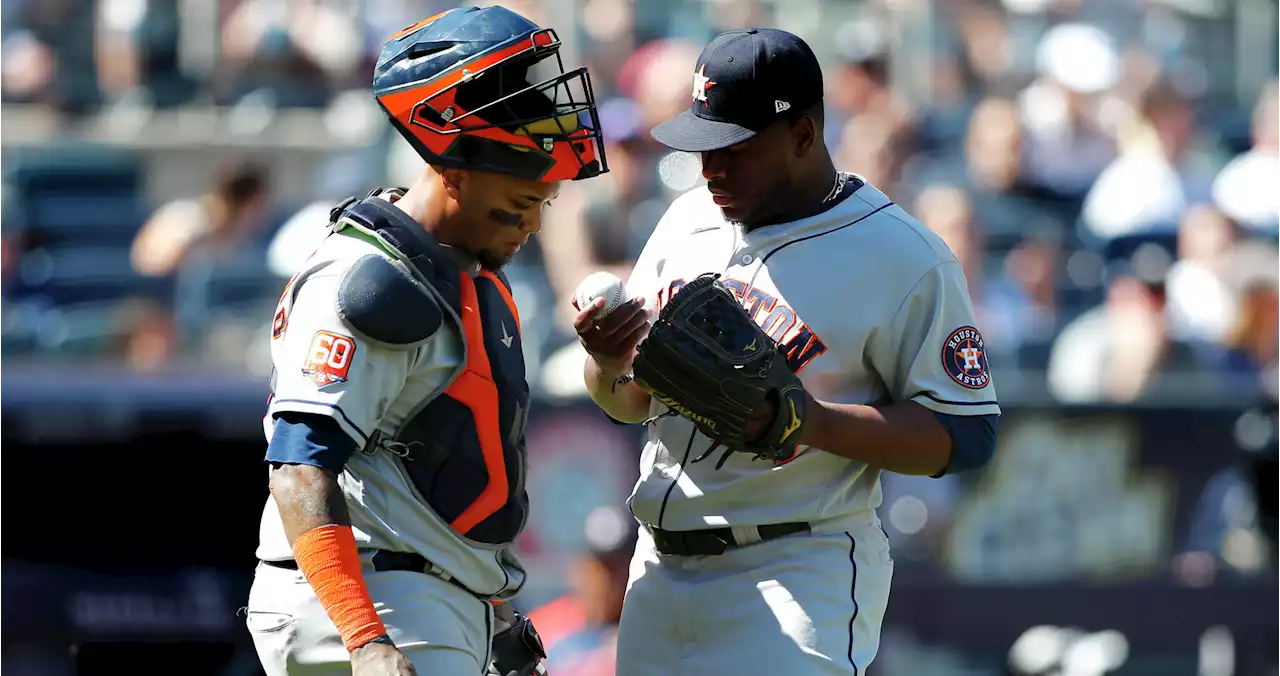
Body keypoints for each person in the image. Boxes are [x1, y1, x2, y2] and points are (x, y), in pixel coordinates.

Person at [573, 28, 1000, 675]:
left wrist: (813, 421)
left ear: (802, 134)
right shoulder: (685, 219)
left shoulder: (902, 256)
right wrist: (607, 364)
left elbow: (965, 433)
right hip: (657, 572)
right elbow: (629, 406)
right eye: (703, 147)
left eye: (734, 150)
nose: (710, 168)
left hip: (794, 565)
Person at [243, 6, 607, 675]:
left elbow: (438, 486)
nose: (528, 226)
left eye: (541, 206)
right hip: (372, 601)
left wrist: (495, 616)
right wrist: (364, 638)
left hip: (424, 598)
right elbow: (298, 466)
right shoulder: (371, 279)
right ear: (454, 172)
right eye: (517, 204)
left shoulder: (470, 279)